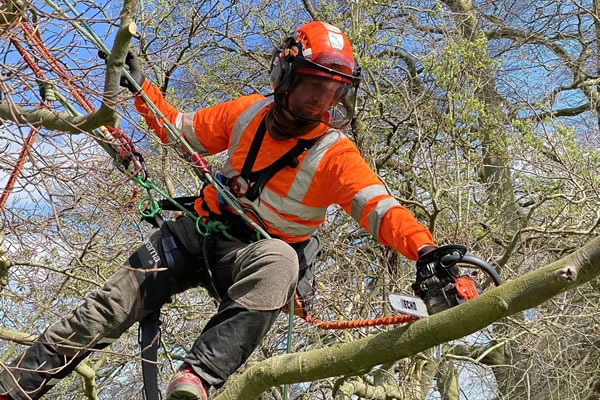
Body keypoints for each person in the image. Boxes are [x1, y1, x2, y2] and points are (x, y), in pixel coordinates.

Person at [0, 21, 440, 400]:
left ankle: (197, 378)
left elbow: (381, 209)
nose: (319, 102)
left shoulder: (335, 154)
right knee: (105, 308)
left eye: (332, 91)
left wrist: (428, 253)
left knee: (281, 259)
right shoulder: (248, 112)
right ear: (285, 76)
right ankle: (16, 386)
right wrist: (142, 90)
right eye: (313, 87)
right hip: (198, 231)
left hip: (253, 258)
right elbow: (181, 130)